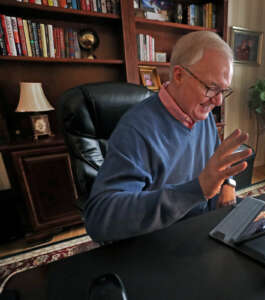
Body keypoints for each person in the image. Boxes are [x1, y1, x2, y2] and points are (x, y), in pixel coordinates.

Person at [84, 31, 252, 242]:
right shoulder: (136, 130)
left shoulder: (203, 116)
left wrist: (228, 183)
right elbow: (99, 219)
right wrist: (196, 190)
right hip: (158, 244)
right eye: (211, 88)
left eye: (223, 91)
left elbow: (214, 166)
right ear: (179, 75)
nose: (218, 101)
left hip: (198, 231)